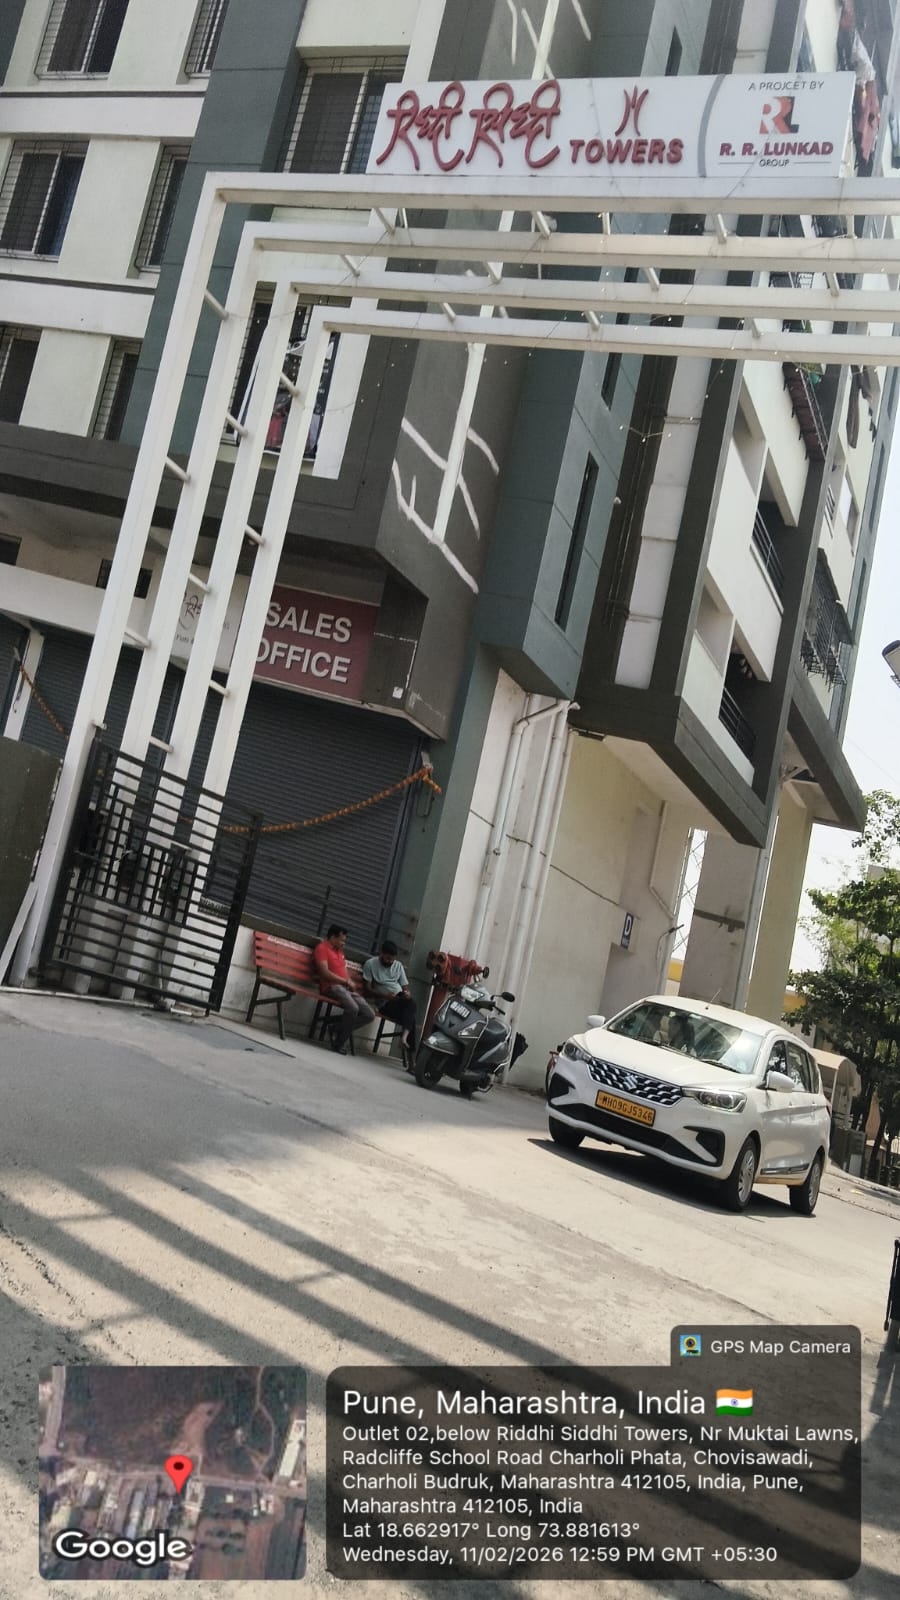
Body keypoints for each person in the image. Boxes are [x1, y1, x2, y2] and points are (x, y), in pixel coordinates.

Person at [313, 924, 375, 1054]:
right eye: (342, 940)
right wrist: (345, 981)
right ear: (332, 937)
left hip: (345, 988)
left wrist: (349, 983)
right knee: (353, 1008)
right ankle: (339, 1043)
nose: (343, 943)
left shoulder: (339, 951)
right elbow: (324, 973)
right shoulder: (322, 948)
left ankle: (337, 1028)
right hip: (331, 986)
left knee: (369, 1014)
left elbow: (343, 971)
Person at [363, 941, 418, 1068]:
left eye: (392, 959)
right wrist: (384, 995)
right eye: (387, 958)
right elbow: (367, 989)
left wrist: (407, 993)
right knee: (412, 1018)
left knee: (410, 1003)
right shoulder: (370, 964)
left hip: (399, 999)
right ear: (381, 953)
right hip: (384, 1003)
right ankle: (411, 1062)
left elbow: (405, 987)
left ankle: (404, 1037)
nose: (390, 961)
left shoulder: (398, 965)